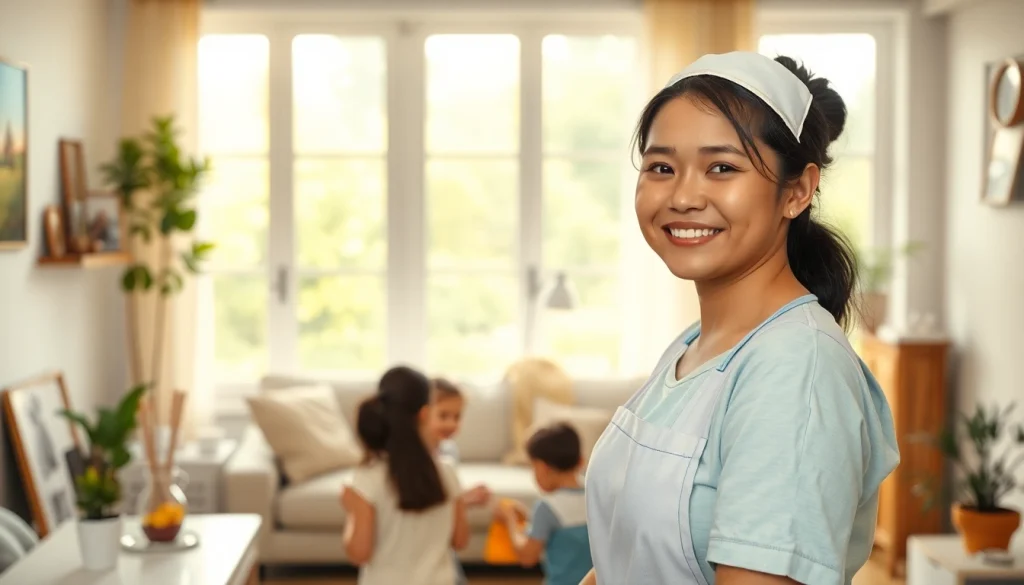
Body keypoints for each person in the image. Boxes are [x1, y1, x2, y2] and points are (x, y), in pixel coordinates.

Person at [581, 51, 901, 585]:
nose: (683, 196)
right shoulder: (695, 348)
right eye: (661, 167)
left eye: (721, 168)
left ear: (796, 191)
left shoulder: (796, 368)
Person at [340, 366, 470, 585]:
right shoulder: (447, 471)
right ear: (425, 414)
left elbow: (359, 553)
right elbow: (460, 540)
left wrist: (352, 512)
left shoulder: (368, 478)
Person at [498, 423, 592, 585]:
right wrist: (529, 517)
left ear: (542, 467)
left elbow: (528, 556)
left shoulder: (546, 507)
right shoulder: (593, 495)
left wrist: (510, 521)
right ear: (580, 460)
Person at [428, 377, 491, 585]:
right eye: (443, 415)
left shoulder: (449, 450)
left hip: (444, 538)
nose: (451, 423)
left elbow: (446, 495)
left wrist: (467, 498)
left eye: (457, 417)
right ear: (423, 413)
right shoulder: (420, 457)